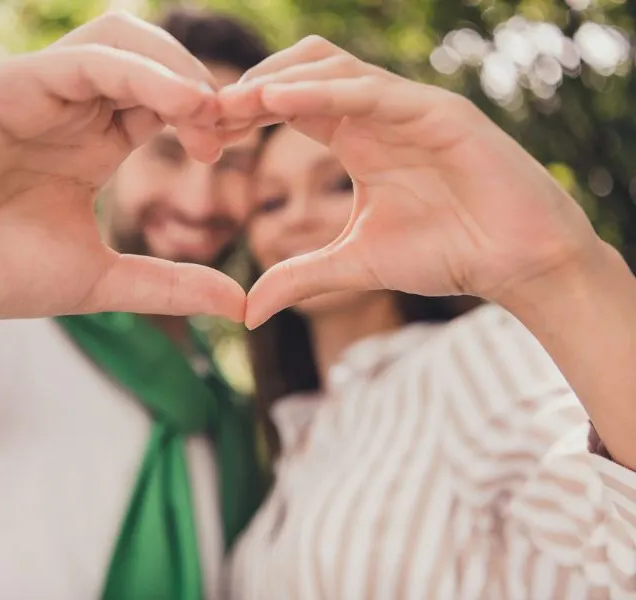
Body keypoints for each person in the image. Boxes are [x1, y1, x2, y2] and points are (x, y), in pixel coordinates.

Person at [0, 10, 270, 600]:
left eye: (233, 163)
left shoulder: (222, 405)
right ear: (115, 154)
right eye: (168, 154)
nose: (199, 201)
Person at [217, 38, 636, 598]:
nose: (298, 216)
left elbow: (617, 532)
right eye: (271, 202)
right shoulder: (290, 445)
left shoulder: (474, 358)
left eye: (337, 184)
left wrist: (565, 269)